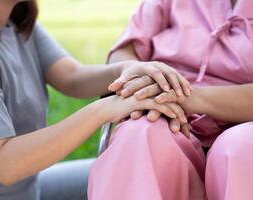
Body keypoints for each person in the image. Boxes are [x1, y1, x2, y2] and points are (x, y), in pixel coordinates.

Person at [0, 0, 192, 200]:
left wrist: (126, 69)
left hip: (29, 189)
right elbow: (4, 164)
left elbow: (71, 77)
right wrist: (106, 109)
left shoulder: (16, 23)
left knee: (130, 172)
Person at [88, 0, 253, 199]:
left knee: (241, 147)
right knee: (141, 133)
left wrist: (189, 97)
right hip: (164, 114)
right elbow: (123, 53)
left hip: (242, 124)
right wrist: (143, 83)